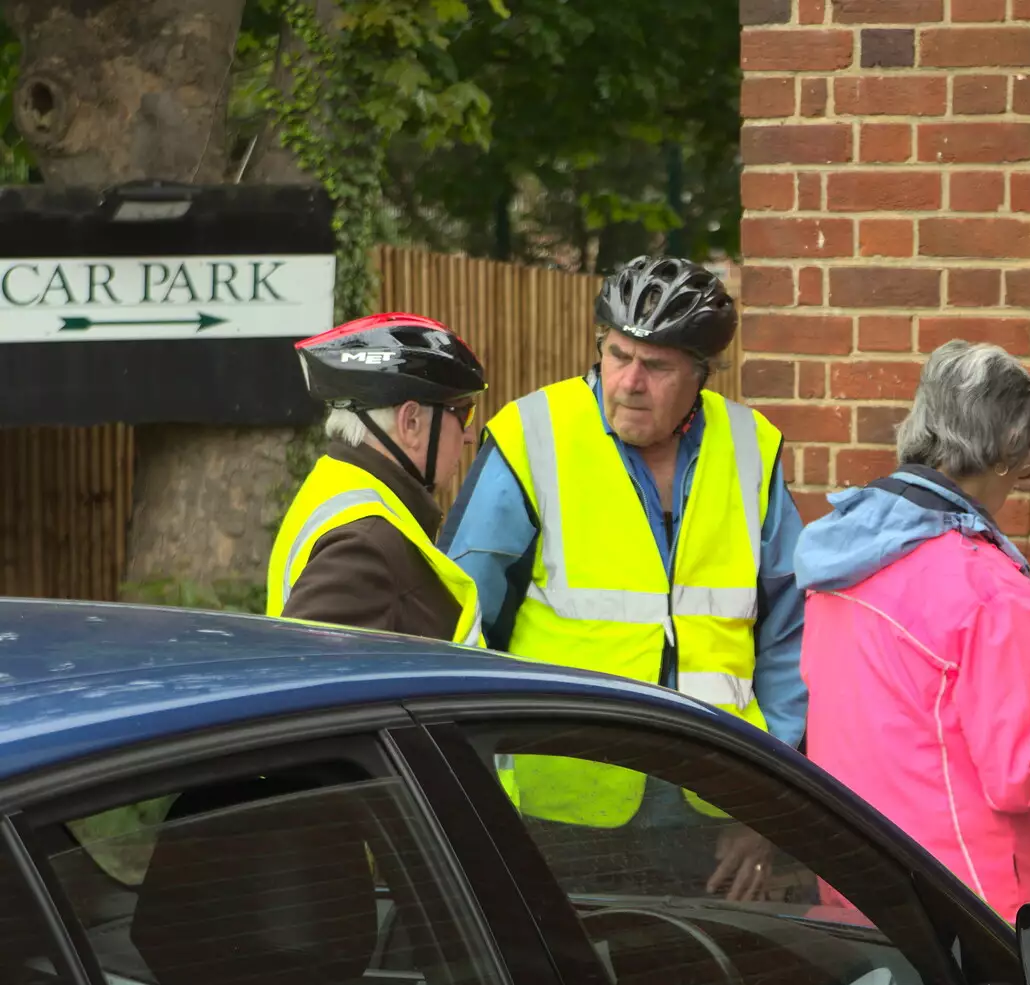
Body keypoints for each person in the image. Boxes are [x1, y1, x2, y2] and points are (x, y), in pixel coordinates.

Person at [439, 255, 807, 901]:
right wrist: (477, 785)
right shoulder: (534, 437)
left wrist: (768, 805)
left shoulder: (750, 447)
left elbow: (793, 639)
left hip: (716, 799)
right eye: (617, 355)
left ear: (699, 373)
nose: (630, 382)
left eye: (657, 366)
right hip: (562, 803)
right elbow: (463, 622)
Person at [792, 340, 1030, 924]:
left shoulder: (839, 557)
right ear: (1010, 452)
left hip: (858, 887)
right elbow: (1025, 771)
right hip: (967, 904)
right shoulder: (988, 585)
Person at [267, 313, 488, 644]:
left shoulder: (340, 485)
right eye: (464, 413)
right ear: (410, 423)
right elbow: (315, 682)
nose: (470, 435)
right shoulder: (362, 547)